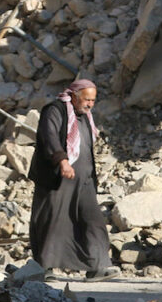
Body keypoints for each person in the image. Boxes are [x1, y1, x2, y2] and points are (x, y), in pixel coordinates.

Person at [28, 79, 119, 281]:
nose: (90, 104)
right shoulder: (55, 110)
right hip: (58, 177)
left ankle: (98, 265)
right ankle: (45, 267)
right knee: (52, 220)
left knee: (92, 219)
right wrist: (62, 161)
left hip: (83, 179)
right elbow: (48, 136)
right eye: (87, 99)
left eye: (93, 101)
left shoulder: (84, 115)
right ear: (75, 96)